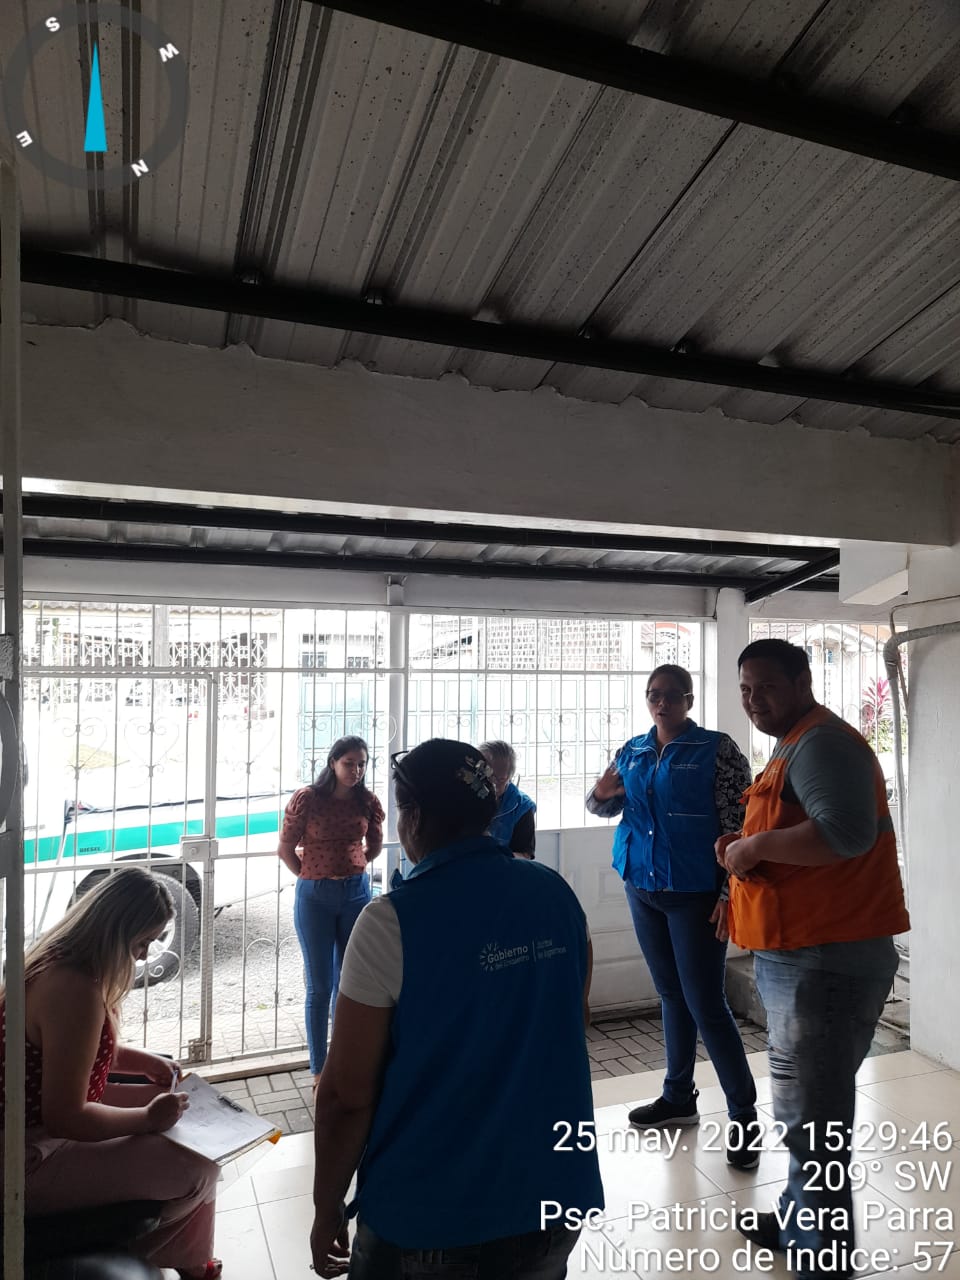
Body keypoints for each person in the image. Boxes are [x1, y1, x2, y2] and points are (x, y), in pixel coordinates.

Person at [309, 738, 603, 1280]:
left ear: (414, 817)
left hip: (432, 1214)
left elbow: (346, 1096)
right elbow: (576, 1019)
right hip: (554, 1198)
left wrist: (327, 1204)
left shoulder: (390, 922)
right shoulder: (556, 893)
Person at [719, 639, 910, 1280]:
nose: (754, 700)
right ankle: (798, 1219)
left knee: (815, 1123)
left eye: (767, 686)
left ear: (803, 680)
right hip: (802, 956)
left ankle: (823, 1260)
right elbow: (801, 830)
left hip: (825, 961)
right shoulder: (794, 742)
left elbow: (845, 833)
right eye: (746, 689)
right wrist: (748, 846)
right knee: (802, 1111)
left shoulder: (822, 743)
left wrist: (752, 850)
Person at [0, 866, 221, 1279]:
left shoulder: (61, 963)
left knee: (190, 1122)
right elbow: (66, 1117)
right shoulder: (74, 989)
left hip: (33, 1129)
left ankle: (191, 1261)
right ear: (116, 932)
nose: (145, 955)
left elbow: (72, 1050)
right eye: (142, 942)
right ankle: (169, 1255)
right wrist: (147, 1119)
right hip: (25, 1157)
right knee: (201, 1168)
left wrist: (144, 1062)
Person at [586, 663, 760, 1169]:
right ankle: (678, 1096)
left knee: (706, 1003)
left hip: (695, 892)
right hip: (641, 885)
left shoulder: (717, 750)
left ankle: (745, 1117)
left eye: (670, 695)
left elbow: (741, 825)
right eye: (652, 695)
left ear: (688, 700)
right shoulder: (633, 751)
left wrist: (729, 891)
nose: (660, 703)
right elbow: (603, 808)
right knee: (670, 994)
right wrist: (599, 793)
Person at [277, 735, 384, 1089]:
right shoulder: (308, 799)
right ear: (333, 763)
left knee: (347, 982)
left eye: (362, 764)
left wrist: (352, 866)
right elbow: (285, 848)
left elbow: (374, 846)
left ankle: (343, 1061)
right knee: (319, 985)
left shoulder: (367, 801)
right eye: (349, 763)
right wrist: (312, 875)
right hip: (315, 897)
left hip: (356, 894)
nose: (356, 770)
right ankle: (319, 1070)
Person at [480, 739, 537, 858]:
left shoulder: (522, 807)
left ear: (510, 777)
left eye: (500, 779)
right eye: (487, 777)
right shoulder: (464, 799)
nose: (493, 785)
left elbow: (525, 855)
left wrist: (494, 857)